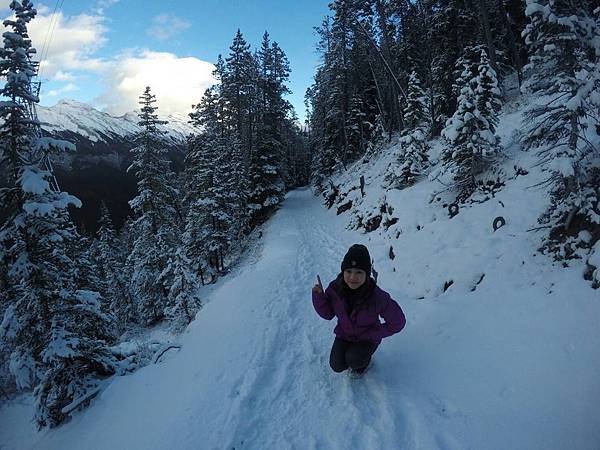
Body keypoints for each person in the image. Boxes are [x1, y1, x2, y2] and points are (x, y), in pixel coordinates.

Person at [312, 244, 406, 376]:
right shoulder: (335, 289)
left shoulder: (376, 296)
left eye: (359, 272)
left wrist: (374, 333)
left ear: (367, 274)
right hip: (345, 334)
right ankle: (354, 354)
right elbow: (327, 314)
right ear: (343, 271)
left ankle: (364, 362)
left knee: (355, 360)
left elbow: (397, 322)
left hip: (367, 338)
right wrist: (319, 297)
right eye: (348, 271)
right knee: (337, 365)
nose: (352, 277)